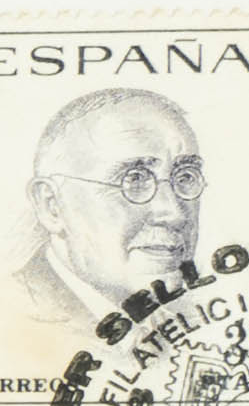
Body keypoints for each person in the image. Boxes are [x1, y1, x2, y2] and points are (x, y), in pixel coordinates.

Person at [14, 83, 210, 336]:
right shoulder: (8, 317)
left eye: (185, 177)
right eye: (134, 179)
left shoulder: (189, 319)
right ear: (51, 206)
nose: (175, 213)